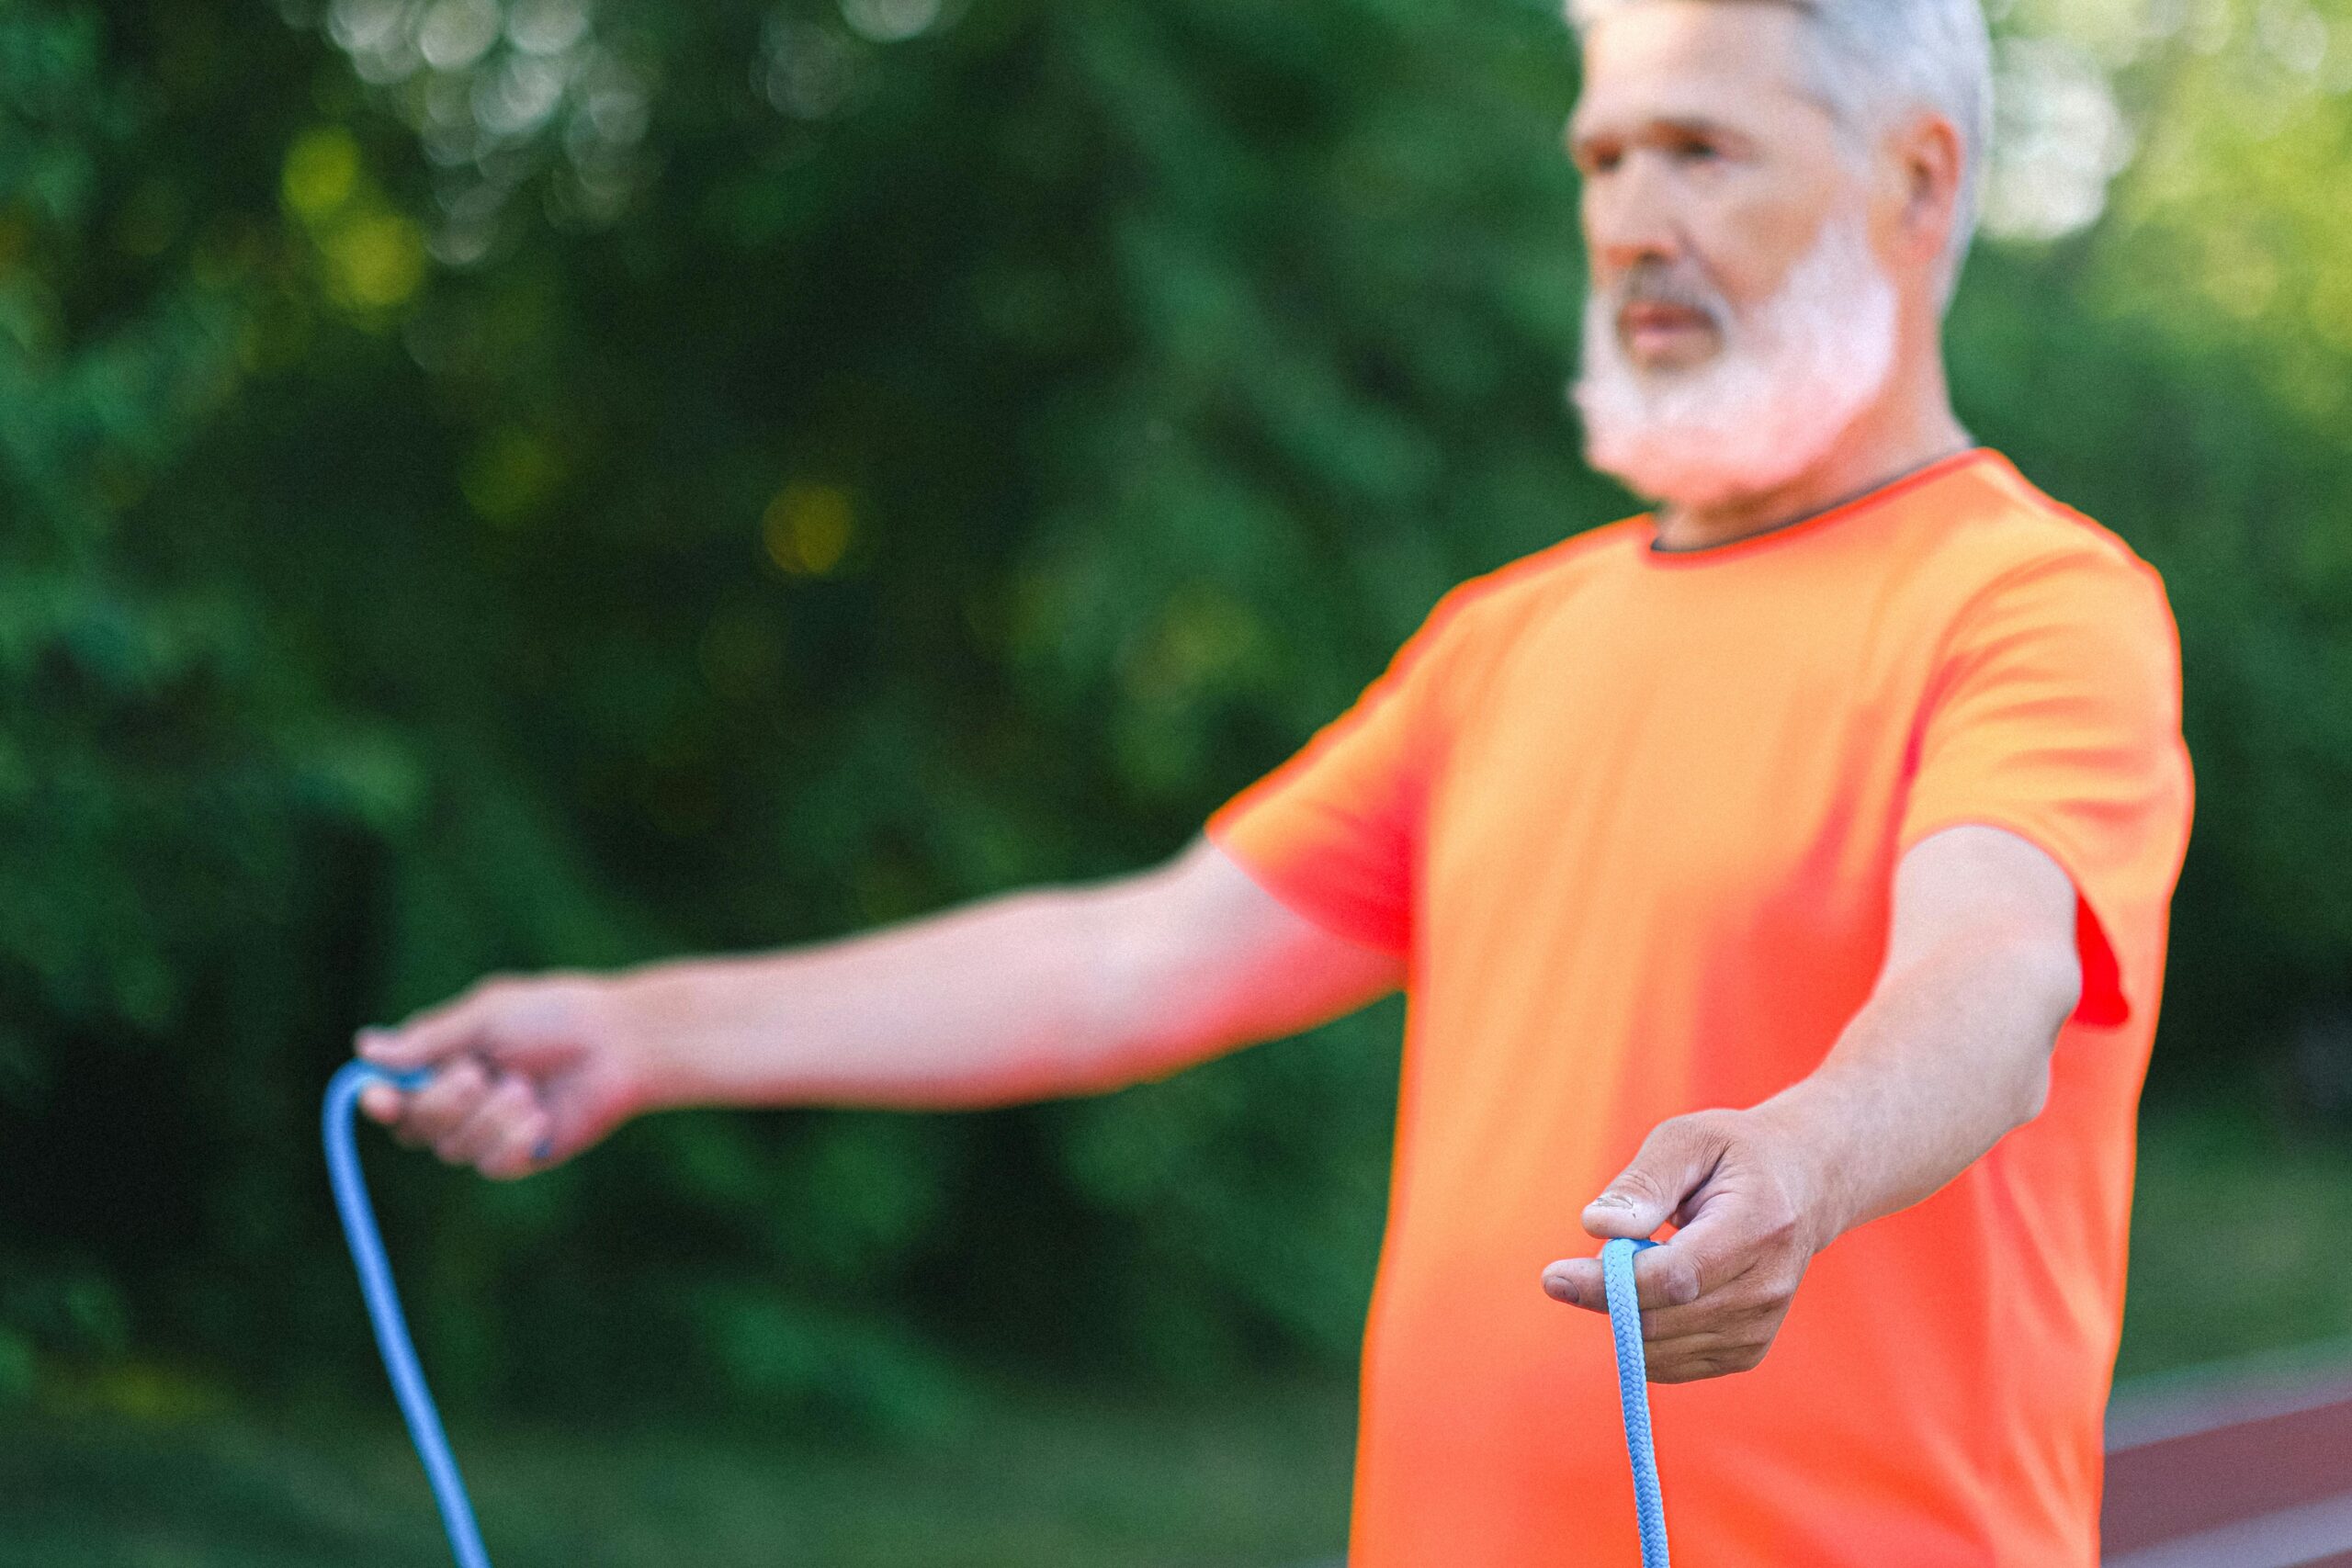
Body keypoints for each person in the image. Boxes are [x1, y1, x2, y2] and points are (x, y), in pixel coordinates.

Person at [354, 0, 2194, 1561]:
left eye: (1701, 153)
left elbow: (1993, 975)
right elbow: (1123, 961)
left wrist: (1805, 1154)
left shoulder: (2032, 599)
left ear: (1919, 181)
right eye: (1601, 159)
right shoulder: (1506, 639)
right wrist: (639, 1031)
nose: (1631, 220)